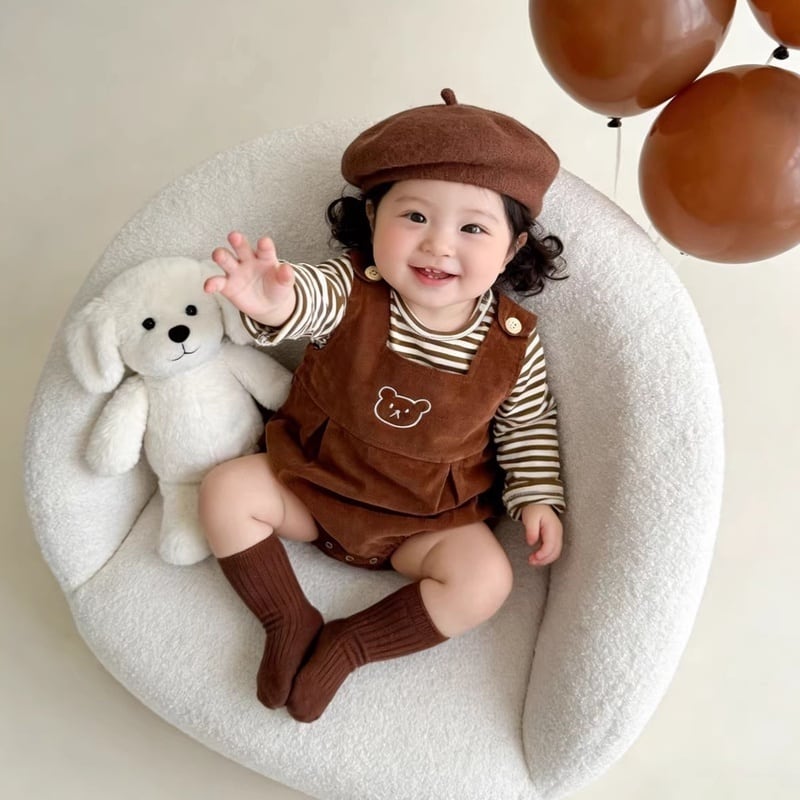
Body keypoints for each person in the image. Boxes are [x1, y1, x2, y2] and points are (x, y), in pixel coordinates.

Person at [200, 89, 566, 723]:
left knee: (487, 581)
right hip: (311, 485)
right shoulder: (351, 289)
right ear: (372, 219)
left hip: (424, 526)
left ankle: (350, 645)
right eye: (415, 217)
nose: (439, 246)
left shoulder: (512, 342)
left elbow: (527, 425)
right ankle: (287, 617)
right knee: (226, 489)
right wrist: (275, 303)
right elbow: (306, 297)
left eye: (473, 228)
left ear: (511, 249)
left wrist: (537, 497)